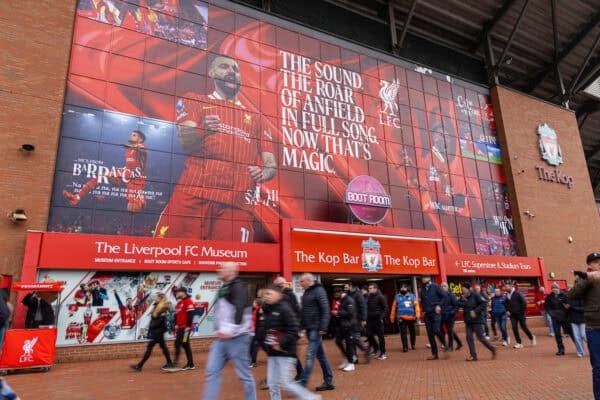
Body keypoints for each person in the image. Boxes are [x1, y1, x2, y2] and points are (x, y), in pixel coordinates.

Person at [154, 54, 277, 242]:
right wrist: (203, 129)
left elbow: (271, 164)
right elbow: (184, 139)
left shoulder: (257, 118)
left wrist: (264, 172)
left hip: (236, 204)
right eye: (224, 67)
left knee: (231, 265)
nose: (231, 72)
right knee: (171, 257)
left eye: (235, 70)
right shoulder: (195, 100)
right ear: (211, 72)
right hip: (193, 196)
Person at [256, 285, 322, 400]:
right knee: (272, 384)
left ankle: (310, 398)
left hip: (285, 352)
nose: (266, 296)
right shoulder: (268, 310)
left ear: (279, 296)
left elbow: (294, 329)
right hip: (272, 353)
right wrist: (261, 339)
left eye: (269, 294)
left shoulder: (284, 309)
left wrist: (281, 343)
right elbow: (264, 329)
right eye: (266, 294)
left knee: (286, 383)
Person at [203, 262, 255, 400]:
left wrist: (228, 330)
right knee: (212, 371)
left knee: (245, 376)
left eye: (222, 268)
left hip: (238, 339)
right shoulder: (225, 287)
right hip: (221, 340)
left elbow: (239, 309)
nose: (218, 269)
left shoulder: (238, 287)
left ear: (232, 272)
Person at [63, 130, 147, 213]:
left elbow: (142, 150)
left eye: (134, 135)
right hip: (126, 174)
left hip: (136, 179)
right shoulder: (128, 151)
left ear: (140, 140)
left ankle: (141, 200)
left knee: (132, 209)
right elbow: (130, 165)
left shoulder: (142, 148)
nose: (131, 136)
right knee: (102, 176)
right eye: (131, 134)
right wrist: (122, 169)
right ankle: (77, 197)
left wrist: (131, 147)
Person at [568, 252, 600, 399]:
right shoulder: (584, 279)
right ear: (589, 265)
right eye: (595, 261)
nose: (599, 263)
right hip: (594, 328)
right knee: (598, 367)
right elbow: (572, 295)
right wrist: (588, 278)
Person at [298, 273, 334, 392]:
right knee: (321, 356)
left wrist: (323, 327)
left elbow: (325, 309)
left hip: (316, 329)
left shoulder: (319, 290)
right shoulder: (307, 292)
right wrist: (301, 328)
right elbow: (304, 312)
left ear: (308, 280)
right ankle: (328, 381)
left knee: (309, 356)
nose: (300, 283)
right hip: (310, 329)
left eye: (301, 281)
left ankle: (302, 384)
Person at [130, 292, 174, 371]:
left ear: (160, 299)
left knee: (150, 348)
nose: (155, 298)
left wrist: (153, 327)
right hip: (157, 331)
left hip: (158, 331)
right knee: (163, 347)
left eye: (156, 297)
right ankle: (169, 363)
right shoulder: (157, 306)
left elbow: (160, 320)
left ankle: (139, 366)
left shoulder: (162, 307)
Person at [273, 277, 303, 379]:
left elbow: (296, 311)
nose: (277, 287)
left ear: (283, 284)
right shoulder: (280, 295)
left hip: (289, 329)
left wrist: (298, 328)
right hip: (284, 329)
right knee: (287, 351)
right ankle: (298, 372)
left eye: (278, 285)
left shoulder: (289, 295)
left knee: (289, 352)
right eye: (276, 285)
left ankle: (296, 374)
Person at [458, 282, 496, 361]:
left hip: (477, 320)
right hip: (468, 321)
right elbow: (460, 304)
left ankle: (492, 349)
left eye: (464, 289)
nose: (462, 290)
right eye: (462, 289)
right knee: (469, 338)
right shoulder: (463, 297)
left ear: (468, 289)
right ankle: (473, 355)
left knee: (481, 338)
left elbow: (484, 303)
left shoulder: (475, 295)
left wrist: (475, 311)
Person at [420, 275, 447, 360]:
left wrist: (439, 305)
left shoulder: (435, 286)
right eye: (422, 278)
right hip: (427, 314)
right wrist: (423, 309)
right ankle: (434, 354)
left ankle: (445, 343)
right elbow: (423, 300)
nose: (422, 279)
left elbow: (444, 296)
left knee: (436, 330)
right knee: (430, 335)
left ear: (428, 278)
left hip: (435, 313)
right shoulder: (422, 289)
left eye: (424, 277)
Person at [169, 286, 195, 371]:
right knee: (185, 344)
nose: (176, 293)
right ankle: (190, 364)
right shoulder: (180, 303)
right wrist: (176, 324)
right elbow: (177, 315)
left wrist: (188, 326)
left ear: (183, 292)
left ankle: (174, 364)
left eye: (178, 292)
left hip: (185, 329)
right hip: (180, 328)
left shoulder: (188, 301)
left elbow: (191, 314)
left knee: (177, 343)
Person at [331, 286, 357, 372]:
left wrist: (338, 312)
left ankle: (351, 363)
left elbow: (350, 313)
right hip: (343, 325)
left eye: (336, 293)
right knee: (338, 341)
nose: (335, 295)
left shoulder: (348, 300)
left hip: (349, 325)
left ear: (340, 292)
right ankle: (347, 358)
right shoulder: (341, 300)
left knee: (349, 344)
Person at [343, 282, 370, 363]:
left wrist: (364, 319)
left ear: (350, 286)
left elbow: (363, 307)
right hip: (349, 321)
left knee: (355, 338)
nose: (344, 288)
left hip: (356, 320)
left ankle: (366, 350)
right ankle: (355, 358)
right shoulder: (347, 296)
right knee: (350, 340)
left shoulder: (358, 295)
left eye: (346, 287)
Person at [505, 280, 536, 349]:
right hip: (512, 315)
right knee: (514, 328)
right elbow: (506, 304)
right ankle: (519, 343)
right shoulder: (507, 295)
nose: (505, 288)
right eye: (505, 287)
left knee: (524, 327)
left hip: (520, 314)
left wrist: (522, 312)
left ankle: (531, 337)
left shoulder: (517, 293)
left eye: (507, 287)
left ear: (511, 286)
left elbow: (524, 303)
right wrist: (507, 310)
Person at [390, 284, 419, 352]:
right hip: (401, 318)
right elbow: (393, 308)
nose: (403, 289)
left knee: (412, 332)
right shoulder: (397, 296)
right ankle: (405, 347)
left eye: (404, 287)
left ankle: (413, 344)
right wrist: (392, 317)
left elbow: (416, 306)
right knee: (403, 333)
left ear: (407, 288)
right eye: (402, 287)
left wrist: (417, 315)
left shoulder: (412, 296)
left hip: (411, 317)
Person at [544, 283, 571, 356]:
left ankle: (578, 347)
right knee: (557, 334)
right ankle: (561, 349)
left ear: (558, 288)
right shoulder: (549, 297)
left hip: (564, 317)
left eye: (555, 288)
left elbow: (568, 305)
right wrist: (551, 314)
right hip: (555, 318)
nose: (554, 290)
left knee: (571, 332)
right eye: (552, 289)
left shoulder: (564, 295)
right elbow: (546, 307)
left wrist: (566, 313)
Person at [366, 283, 388, 360]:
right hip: (370, 320)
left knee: (381, 337)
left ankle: (383, 353)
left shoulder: (380, 297)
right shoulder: (369, 297)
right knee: (368, 334)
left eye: (371, 288)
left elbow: (385, 308)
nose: (369, 290)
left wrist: (381, 317)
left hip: (378, 320)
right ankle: (376, 348)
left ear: (375, 289)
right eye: (369, 288)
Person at [440, 282, 463, 352]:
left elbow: (456, 305)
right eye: (441, 286)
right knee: (442, 329)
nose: (442, 287)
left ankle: (450, 346)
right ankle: (459, 343)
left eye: (444, 286)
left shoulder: (451, 295)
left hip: (450, 316)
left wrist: (452, 312)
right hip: (443, 315)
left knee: (449, 330)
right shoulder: (440, 296)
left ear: (447, 287)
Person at [567, 278, 586, 357]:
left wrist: (572, 307)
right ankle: (580, 352)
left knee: (583, 335)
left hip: (583, 319)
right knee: (577, 337)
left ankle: (595, 348)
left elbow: (584, 308)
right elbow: (568, 306)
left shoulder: (585, 296)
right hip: (573, 319)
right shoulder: (570, 295)